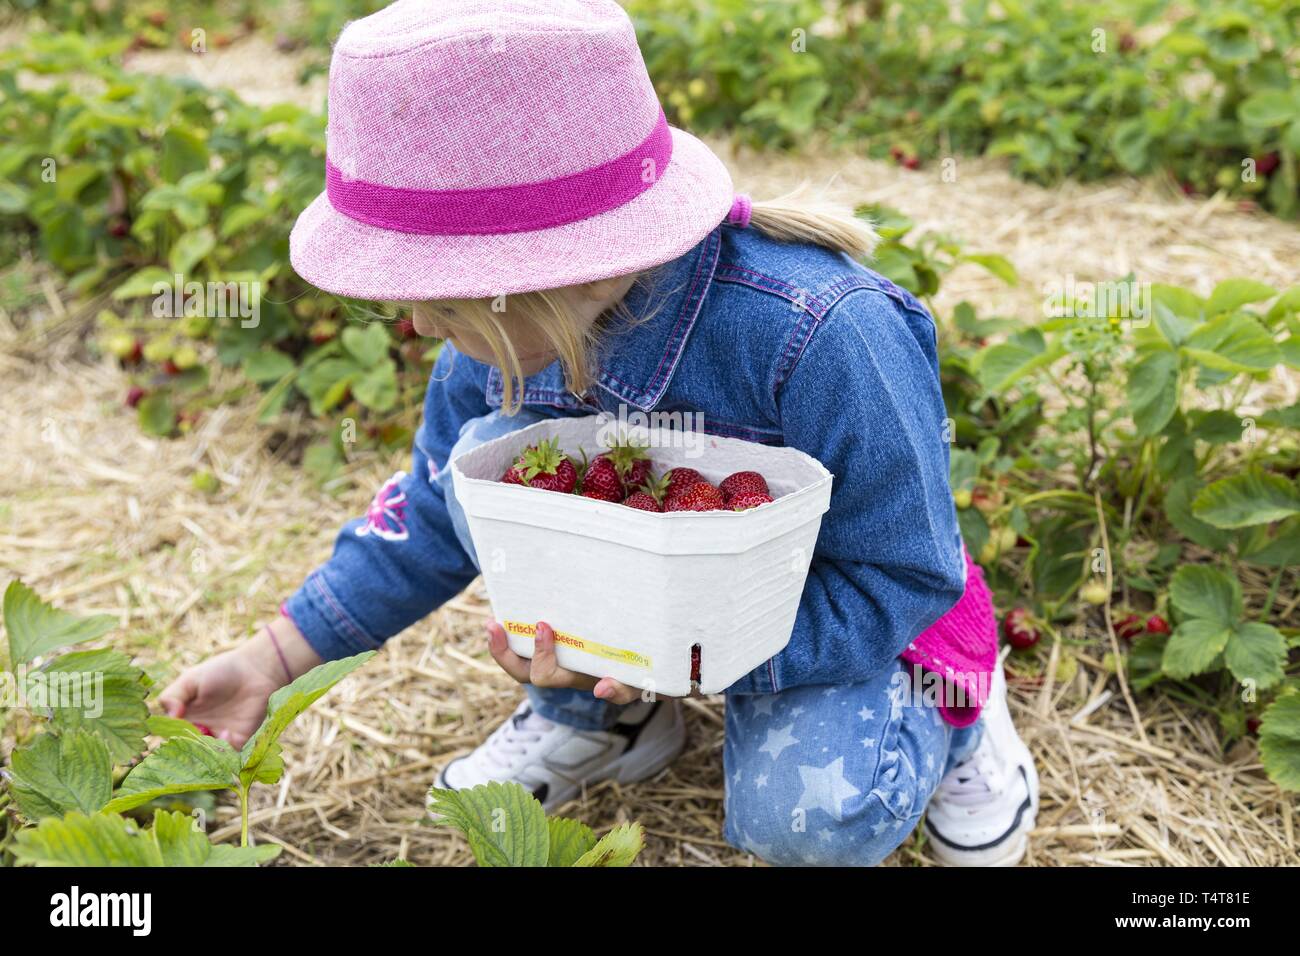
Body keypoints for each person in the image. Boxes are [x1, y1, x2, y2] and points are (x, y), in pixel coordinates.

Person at [160, 0, 1037, 866]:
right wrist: (273, 660)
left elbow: (901, 567)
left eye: (438, 298)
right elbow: (426, 517)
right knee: (481, 467)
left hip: (827, 608)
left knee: (806, 821)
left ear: (571, 274)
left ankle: (952, 716)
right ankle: (607, 712)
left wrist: (699, 658)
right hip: (663, 624)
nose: (420, 327)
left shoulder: (822, 335)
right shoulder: (498, 341)